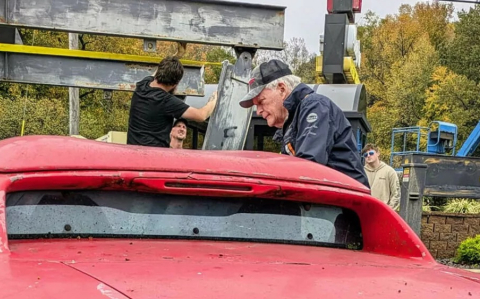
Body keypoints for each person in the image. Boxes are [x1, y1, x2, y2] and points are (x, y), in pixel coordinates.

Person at [240, 59, 369, 187]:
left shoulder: (314, 106)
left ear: (282, 89)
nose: (258, 111)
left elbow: (308, 169)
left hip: (348, 201)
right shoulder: (293, 121)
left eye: (261, 102)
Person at [127, 57, 216, 147]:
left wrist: (177, 55)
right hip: (153, 155)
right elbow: (201, 115)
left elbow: (156, 71)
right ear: (175, 84)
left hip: (133, 153)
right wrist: (214, 99)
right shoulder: (166, 101)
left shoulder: (142, 85)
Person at [363, 144, 400, 211]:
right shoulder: (362, 173)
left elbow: (396, 194)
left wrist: (389, 210)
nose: (368, 156)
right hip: (365, 212)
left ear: (378, 153)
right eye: (365, 155)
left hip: (383, 212)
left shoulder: (389, 171)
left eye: (371, 153)